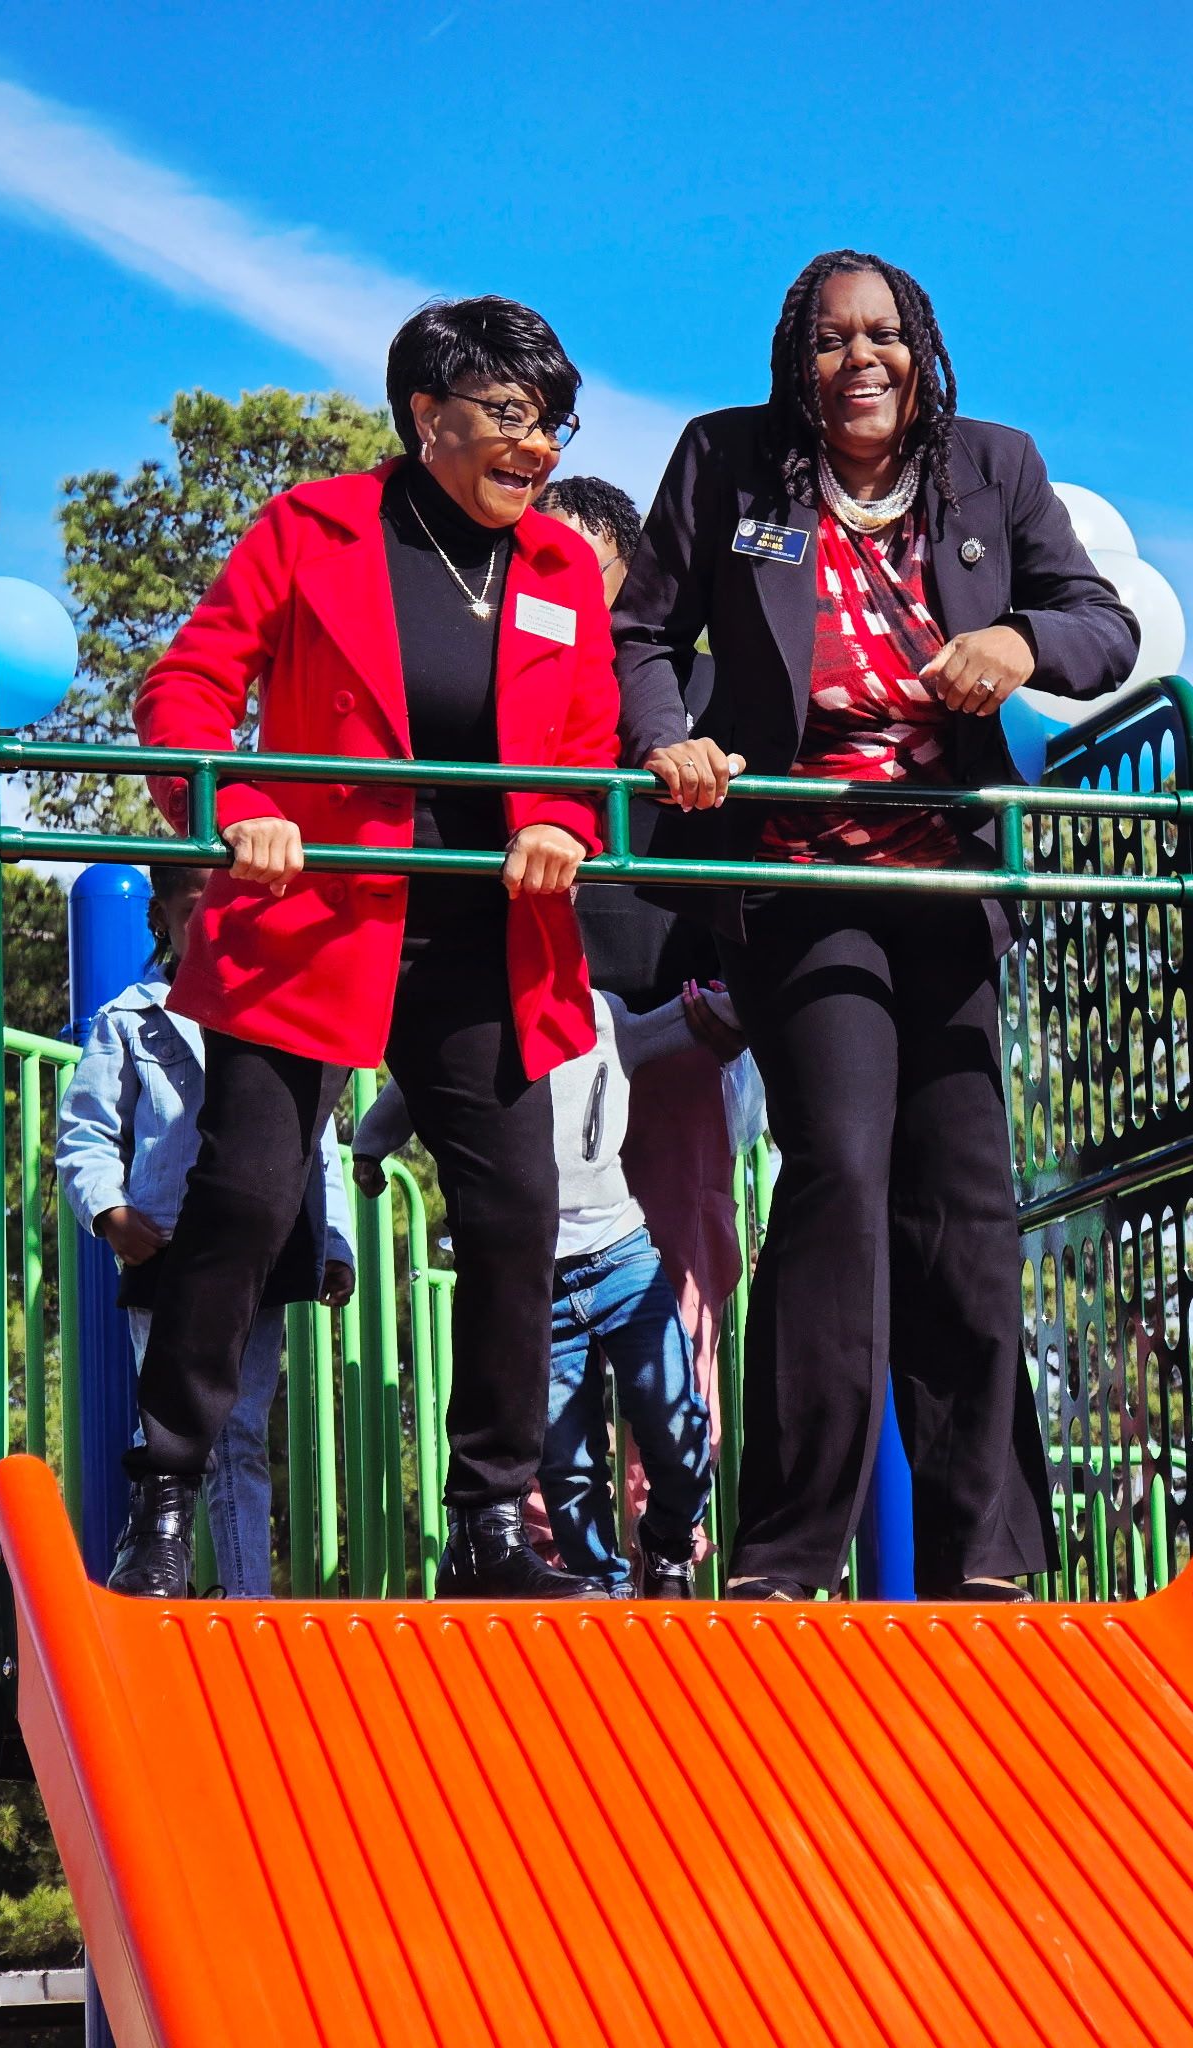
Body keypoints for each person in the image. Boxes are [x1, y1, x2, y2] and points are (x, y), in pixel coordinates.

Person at [613, 249, 1140, 1603]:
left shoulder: (994, 466)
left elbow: (1102, 628)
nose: (864, 359)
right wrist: (673, 740)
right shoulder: (729, 465)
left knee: (962, 1207)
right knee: (841, 1168)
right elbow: (644, 633)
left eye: (886, 335)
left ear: (922, 349)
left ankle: (991, 1558)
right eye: (835, 338)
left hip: (941, 879)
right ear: (798, 358)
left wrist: (1019, 644)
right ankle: (788, 1553)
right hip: (797, 873)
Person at [116, 296, 621, 1601]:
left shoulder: (563, 570)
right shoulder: (315, 528)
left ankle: (492, 1529)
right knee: (242, 1201)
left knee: (515, 1221)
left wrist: (563, 824)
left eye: (553, 423)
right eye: (512, 418)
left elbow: (583, 751)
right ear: (426, 413)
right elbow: (185, 685)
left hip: (483, 934)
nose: (540, 447)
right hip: (317, 917)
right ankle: (164, 1494)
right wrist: (237, 806)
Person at [352, 979, 744, 1596]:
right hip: (537, 1279)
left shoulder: (601, 1013)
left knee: (676, 1418)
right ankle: (602, 1585)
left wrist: (735, 1000)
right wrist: (369, 1146)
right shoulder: (475, 1026)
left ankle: (669, 1538)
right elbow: (413, 1082)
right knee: (566, 1464)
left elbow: (676, 1022)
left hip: (621, 1257)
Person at [536, 476, 746, 1562]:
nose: (559, 583)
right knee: (535, 1284)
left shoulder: (689, 681)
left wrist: (726, 1004)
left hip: (678, 1024)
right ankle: (557, 1542)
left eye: (581, 564)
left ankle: (673, 1520)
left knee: (679, 1275)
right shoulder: (514, 680)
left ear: (626, 570)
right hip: (547, 1028)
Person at [55, 864, 355, 1597]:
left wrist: (337, 1241)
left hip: (258, 1252)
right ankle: (155, 1573)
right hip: (170, 1252)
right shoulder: (130, 1017)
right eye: (197, 912)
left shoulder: (278, 1013)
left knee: (241, 1433)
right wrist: (109, 1210)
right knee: (167, 1424)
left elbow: (318, 1142)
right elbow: (85, 1133)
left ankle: (248, 1595)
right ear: (163, 915)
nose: (216, 929)